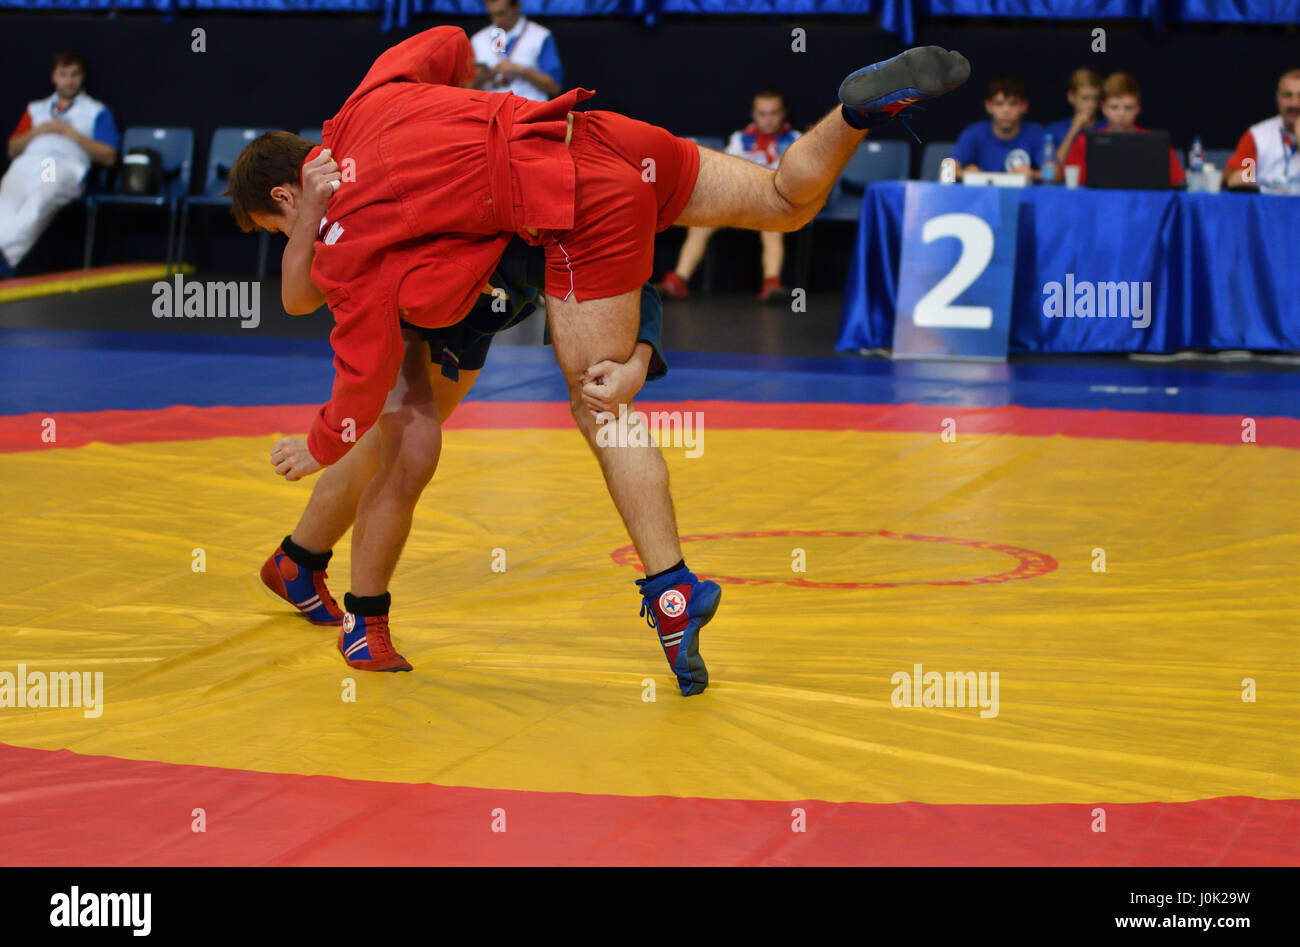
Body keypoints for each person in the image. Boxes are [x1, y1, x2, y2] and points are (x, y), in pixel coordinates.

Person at [225, 27, 970, 695]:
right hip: (601, 137)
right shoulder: (371, 98)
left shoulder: (346, 246)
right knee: (783, 199)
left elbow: (336, 357)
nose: (296, 248)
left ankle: (670, 589)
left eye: (280, 229)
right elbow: (452, 40)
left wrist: (316, 444)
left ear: (295, 195)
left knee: (577, 409)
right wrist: (446, 119)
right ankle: (854, 117)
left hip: (565, 210)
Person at [261, 151, 669, 673]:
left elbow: (631, 287)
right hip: (408, 314)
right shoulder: (372, 218)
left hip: (472, 319)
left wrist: (636, 363)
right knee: (410, 452)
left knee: (380, 449)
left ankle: (298, 560)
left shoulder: (559, 223)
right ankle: (363, 621)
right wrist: (322, 441)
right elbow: (306, 304)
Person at [657, 90, 802, 302]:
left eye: (773, 113)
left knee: (774, 229)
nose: (768, 119)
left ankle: (772, 284)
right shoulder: (739, 139)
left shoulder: (796, 140)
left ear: (783, 114)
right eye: (762, 113)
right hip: (735, 200)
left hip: (771, 202)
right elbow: (726, 173)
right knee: (699, 224)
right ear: (753, 114)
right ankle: (678, 281)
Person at [0, 51, 119, 277]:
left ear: (82, 77)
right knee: (4, 206)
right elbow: (12, 148)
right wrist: (39, 131)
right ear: (54, 77)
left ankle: (4, 260)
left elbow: (109, 156)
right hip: (27, 162)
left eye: (74, 75)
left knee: (39, 199)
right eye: (63, 74)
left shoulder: (96, 110)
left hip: (59, 163)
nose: (69, 80)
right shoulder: (36, 108)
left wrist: (70, 134)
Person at [1062, 72, 1185, 187]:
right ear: (1103, 108)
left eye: (1128, 107)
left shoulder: (1156, 143)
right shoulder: (1084, 142)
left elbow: (1177, 182)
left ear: (1138, 109)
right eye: (1114, 107)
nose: (1121, 113)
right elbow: (1073, 185)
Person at [950, 76, 1046, 180]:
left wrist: (1033, 174)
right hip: (983, 195)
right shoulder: (974, 133)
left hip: (1023, 196)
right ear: (988, 106)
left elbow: (1055, 174)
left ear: (1024, 106)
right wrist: (965, 174)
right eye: (999, 104)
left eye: (1013, 104)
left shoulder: (1036, 133)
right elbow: (946, 170)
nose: (1006, 110)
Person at [469, 0, 564, 102]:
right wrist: (482, 79)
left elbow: (555, 87)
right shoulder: (478, 40)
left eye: (501, 13)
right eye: (492, 14)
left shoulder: (540, 36)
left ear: (516, 6)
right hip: (490, 111)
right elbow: (465, 89)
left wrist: (523, 71)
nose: (497, 20)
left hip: (530, 110)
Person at [1223, 68, 1300, 192]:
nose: (1294, 104)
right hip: (1266, 208)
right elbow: (1241, 176)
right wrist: (1240, 177)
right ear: (1278, 98)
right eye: (1288, 95)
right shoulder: (1257, 136)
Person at [1045, 68, 1102, 171]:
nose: (1092, 104)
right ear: (1071, 97)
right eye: (1085, 98)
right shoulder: (1055, 129)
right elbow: (1051, 169)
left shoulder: (1107, 126)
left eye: (1096, 98)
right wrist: (1074, 130)